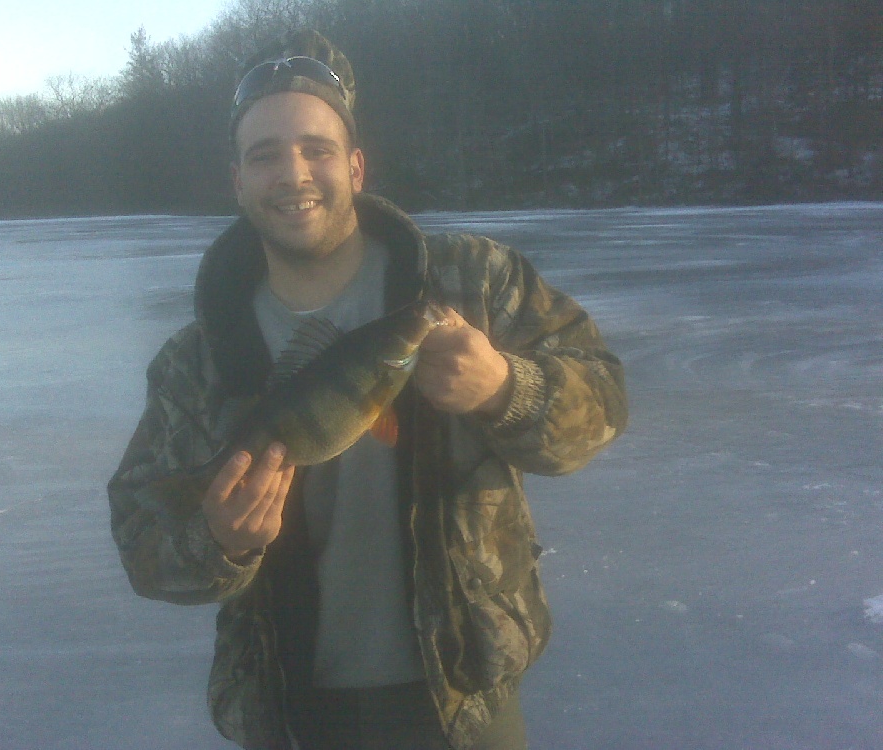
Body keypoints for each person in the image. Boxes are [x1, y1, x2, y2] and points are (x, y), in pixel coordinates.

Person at [108, 29, 627, 750]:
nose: (293, 174)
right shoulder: (195, 361)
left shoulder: (473, 283)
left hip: (464, 700)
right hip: (288, 715)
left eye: (316, 149)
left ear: (355, 165)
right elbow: (142, 541)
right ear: (238, 180)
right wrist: (217, 542)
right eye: (265, 155)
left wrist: (507, 387)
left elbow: (603, 403)